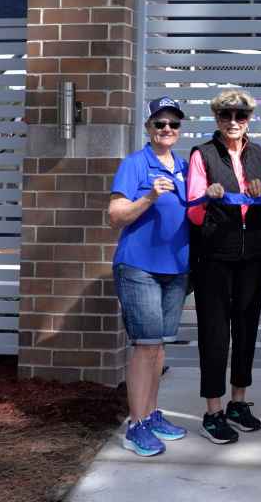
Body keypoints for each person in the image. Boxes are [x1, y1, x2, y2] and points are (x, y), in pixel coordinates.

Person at [186, 90, 261, 445]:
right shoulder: (202, 154)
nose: (233, 122)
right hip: (215, 257)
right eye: (226, 115)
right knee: (214, 335)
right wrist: (208, 195)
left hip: (252, 256)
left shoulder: (258, 154)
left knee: (246, 330)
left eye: (240, 116)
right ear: (216, 118)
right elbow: (192, 211)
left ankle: (238, 402)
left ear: (250, 118)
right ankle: (213, 410)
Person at [106, 97, 192, 457]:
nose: (167, 130)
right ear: (148, 128)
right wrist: (149, 198)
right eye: (160, 124)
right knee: (144, 347)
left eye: (173, 124)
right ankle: (135, 425)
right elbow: (116, 215)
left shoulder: (187, 166)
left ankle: (152, 414)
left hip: (176, 270)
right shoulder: (135, 164)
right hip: (139, 268)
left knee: (158, 347)